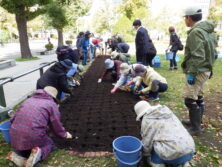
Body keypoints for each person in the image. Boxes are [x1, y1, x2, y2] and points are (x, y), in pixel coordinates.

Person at [8, 86, 72, 167]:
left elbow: (13, 119)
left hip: (14, 134)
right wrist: (65, 134)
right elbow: (56, 125)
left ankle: (18, 153)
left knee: (25, 144)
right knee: (49, 143)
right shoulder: (51, 104)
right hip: (32, 134)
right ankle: (38, 154)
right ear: (52, 97)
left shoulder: (28, 100)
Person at [181, 6, 218, 135]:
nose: (184, 20)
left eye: (185, 18)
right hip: (205, 69)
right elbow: (214, 54)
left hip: (198, 70)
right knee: (199, 97)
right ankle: (195, 122)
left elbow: (198, 55)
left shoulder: (196, 32)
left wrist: (191, 73)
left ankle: (196, 128)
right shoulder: (209, 31)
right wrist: (209, 69)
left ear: (188, 18)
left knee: (189, 99)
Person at [134, 100, 195, 167]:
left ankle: (161, 163)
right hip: (190, 148)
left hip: (173, 153)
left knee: (153, 159)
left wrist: (145, 155)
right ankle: (183, 163)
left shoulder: (147, 120)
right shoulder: (165, 111)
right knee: (177, 148)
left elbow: (147, 142)